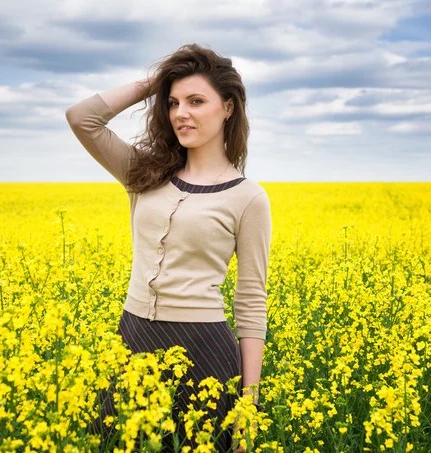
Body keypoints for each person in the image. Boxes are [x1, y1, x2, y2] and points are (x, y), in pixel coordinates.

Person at [65, 43, 272, 452]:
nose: (181, 113)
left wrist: (248, 407)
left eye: (197, 101)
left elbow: (251, 304)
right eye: (173, 102)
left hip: (204, 352)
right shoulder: (143, 173)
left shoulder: (248, 198)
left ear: (228, 108)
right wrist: (157, 82)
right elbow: (82, 119)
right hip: (132, 337)